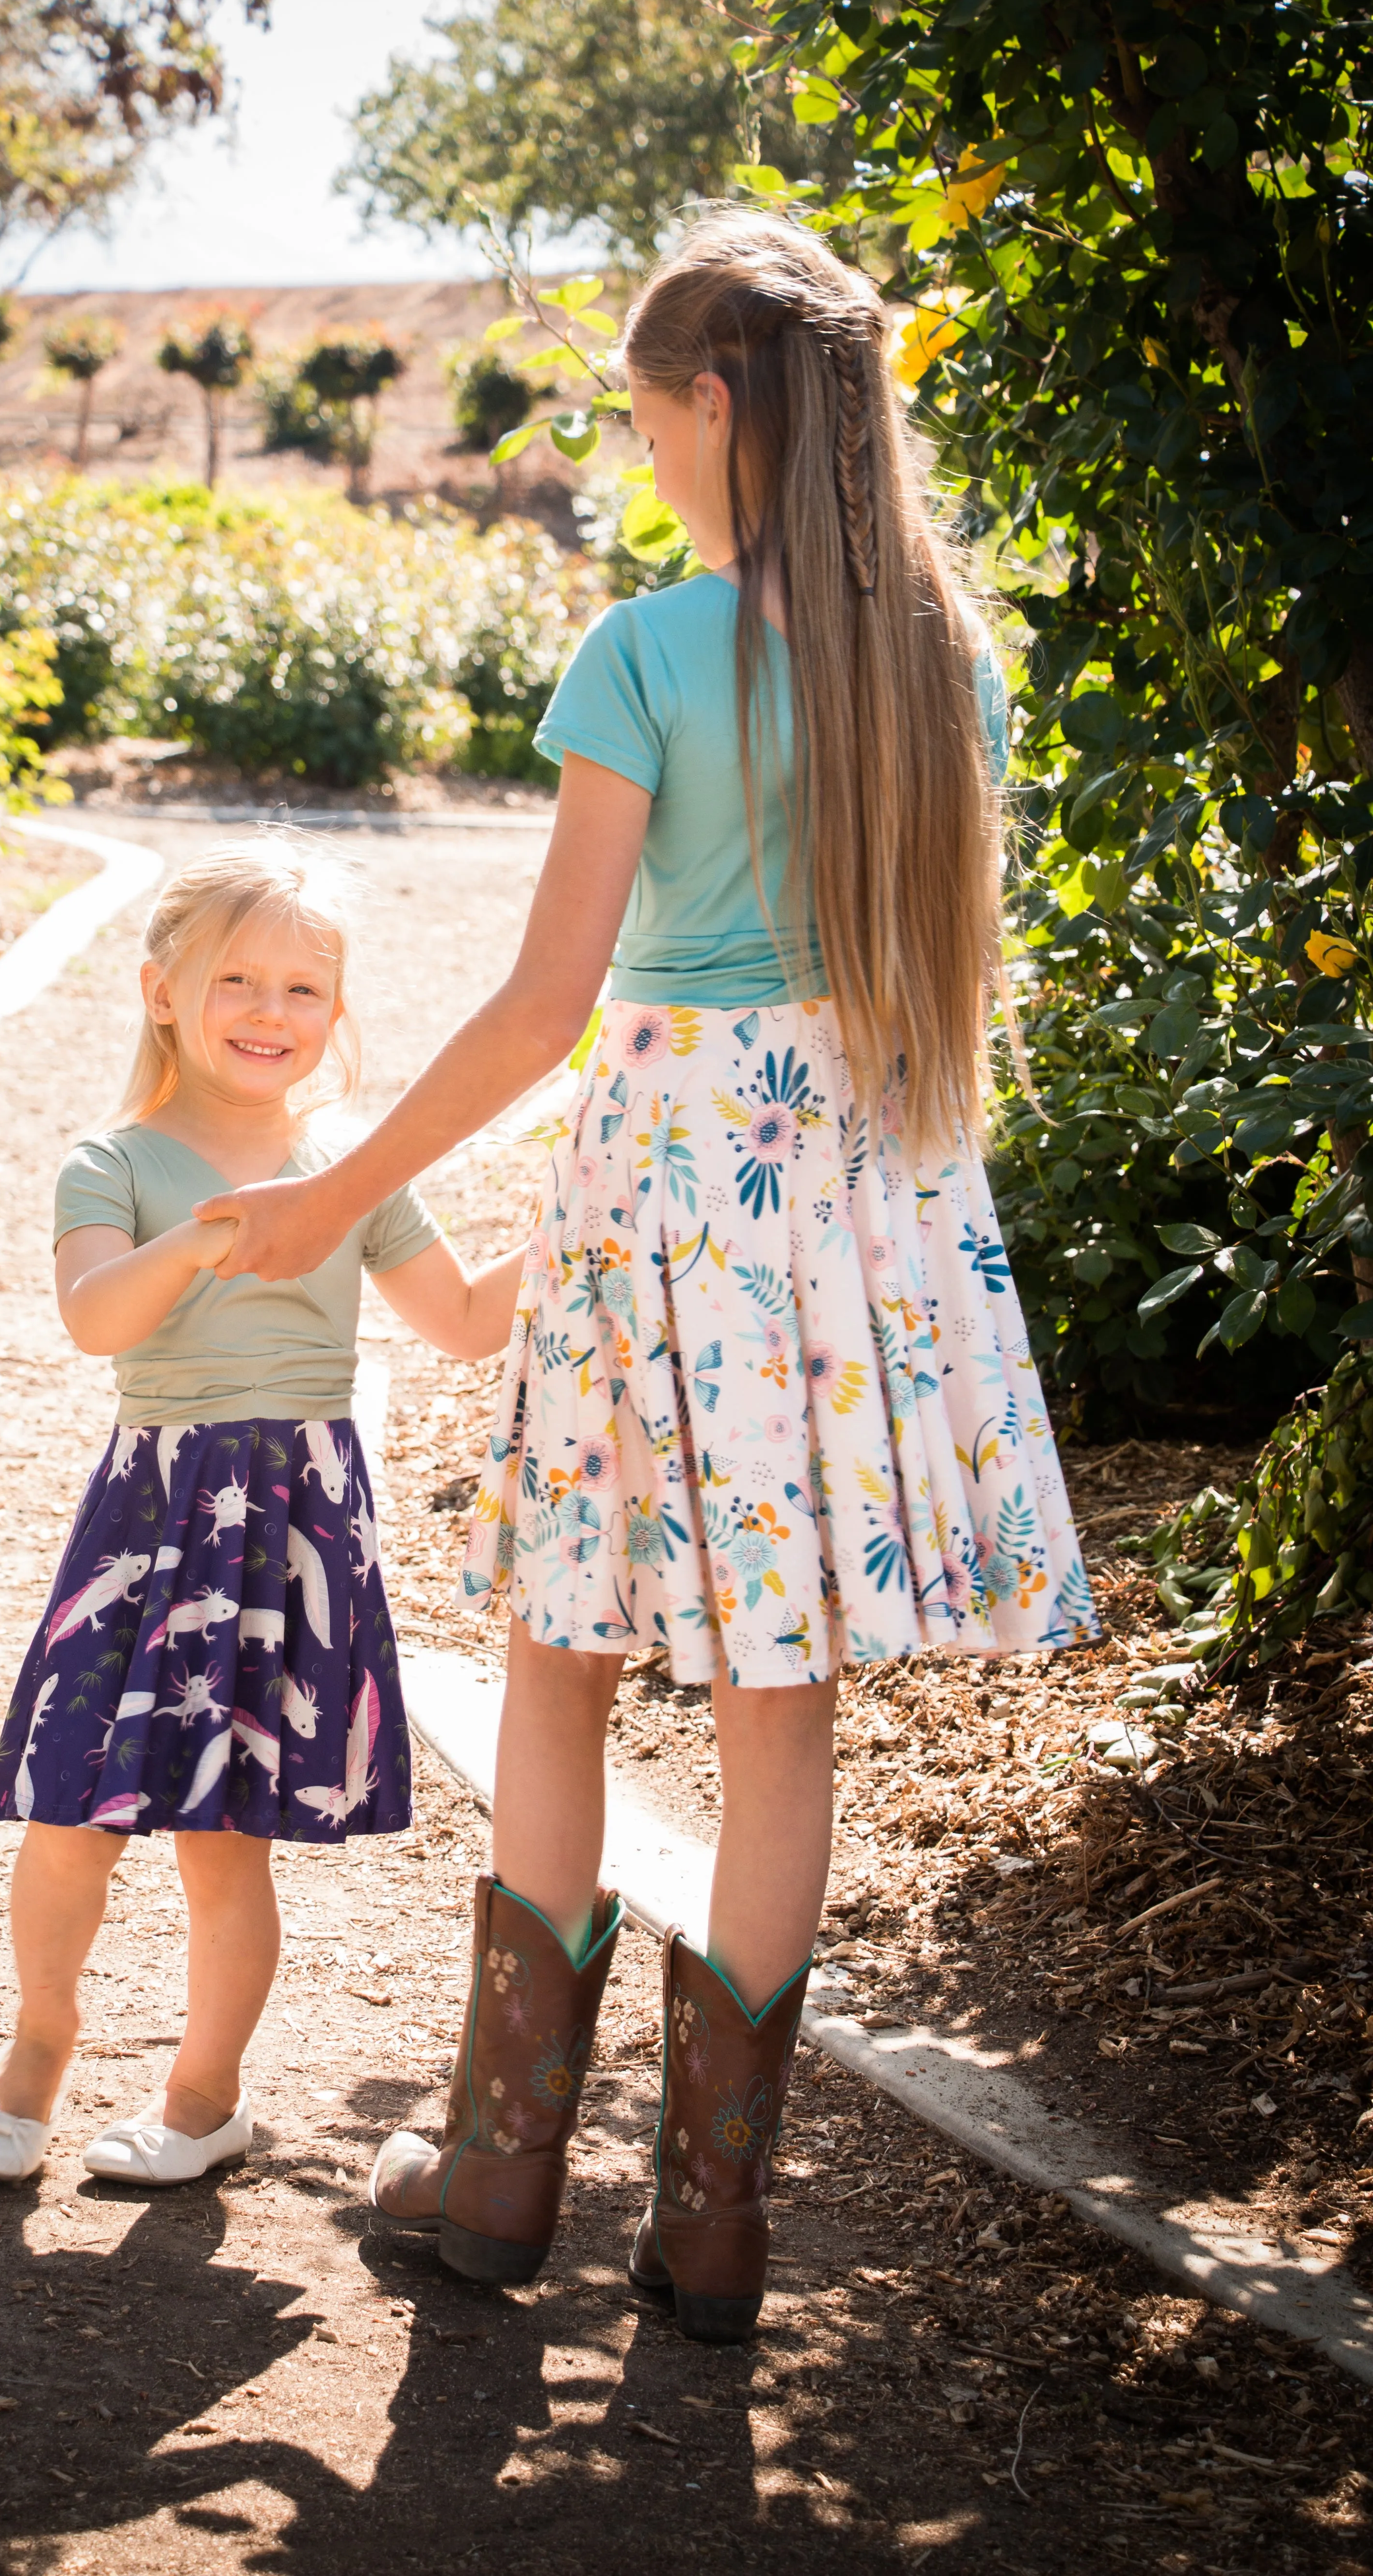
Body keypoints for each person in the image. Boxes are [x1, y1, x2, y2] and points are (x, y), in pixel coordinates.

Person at [195, 209, 1098, 2339]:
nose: (653, 465)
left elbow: (540, 1013)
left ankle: (502, 2175)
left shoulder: (652, 652)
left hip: (672, 1181)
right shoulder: (943, 656)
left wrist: (335, 1200)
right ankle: (715, 2230)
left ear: (717, 405)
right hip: (870, 1190)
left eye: (650, 421)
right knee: (790, 1712)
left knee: (562, 1648)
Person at [0, 838, 524, 2189]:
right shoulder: (116, 1162)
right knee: (67, 1807)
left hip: (291, 1521)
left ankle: (206, 2099)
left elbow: (459, 1322)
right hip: (151, 1511)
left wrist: (581, 1231)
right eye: (239, 980)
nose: (271, 1013)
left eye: (305, 991)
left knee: (224, 1841)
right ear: (163, 991)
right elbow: (97, 1319)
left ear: (337, 1015)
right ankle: (38, 2043)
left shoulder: (352, 1167)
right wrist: (211, 1233)